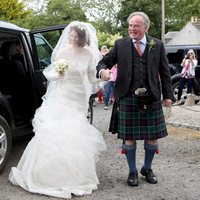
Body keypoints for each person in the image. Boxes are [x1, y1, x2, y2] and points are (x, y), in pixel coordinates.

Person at [9, 21, 106, 199]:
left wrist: (103, 79)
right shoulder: (62, 52)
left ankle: (75, 172)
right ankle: (52, 174)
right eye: (71, 35)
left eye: (76, 37)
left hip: (79, 100)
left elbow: (91, 78)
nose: (73, 39)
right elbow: (52, 74)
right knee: (58, 131)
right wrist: (58, 74)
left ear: (84, 38)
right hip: (64, 96)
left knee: (76, 134)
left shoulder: (89, 54)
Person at [96, 11, 172, 186]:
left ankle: (147, 168)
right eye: (130, 25)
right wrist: (103, 72)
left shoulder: (157, 44)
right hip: (127, 96)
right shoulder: (120, 44)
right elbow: (103, 62)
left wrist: (168, 95)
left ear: (145, 27)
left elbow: (165, 72)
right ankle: (132, 171)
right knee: (129, 137)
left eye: (136, 26)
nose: (132, 29)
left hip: (151, 97)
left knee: (152, 137)